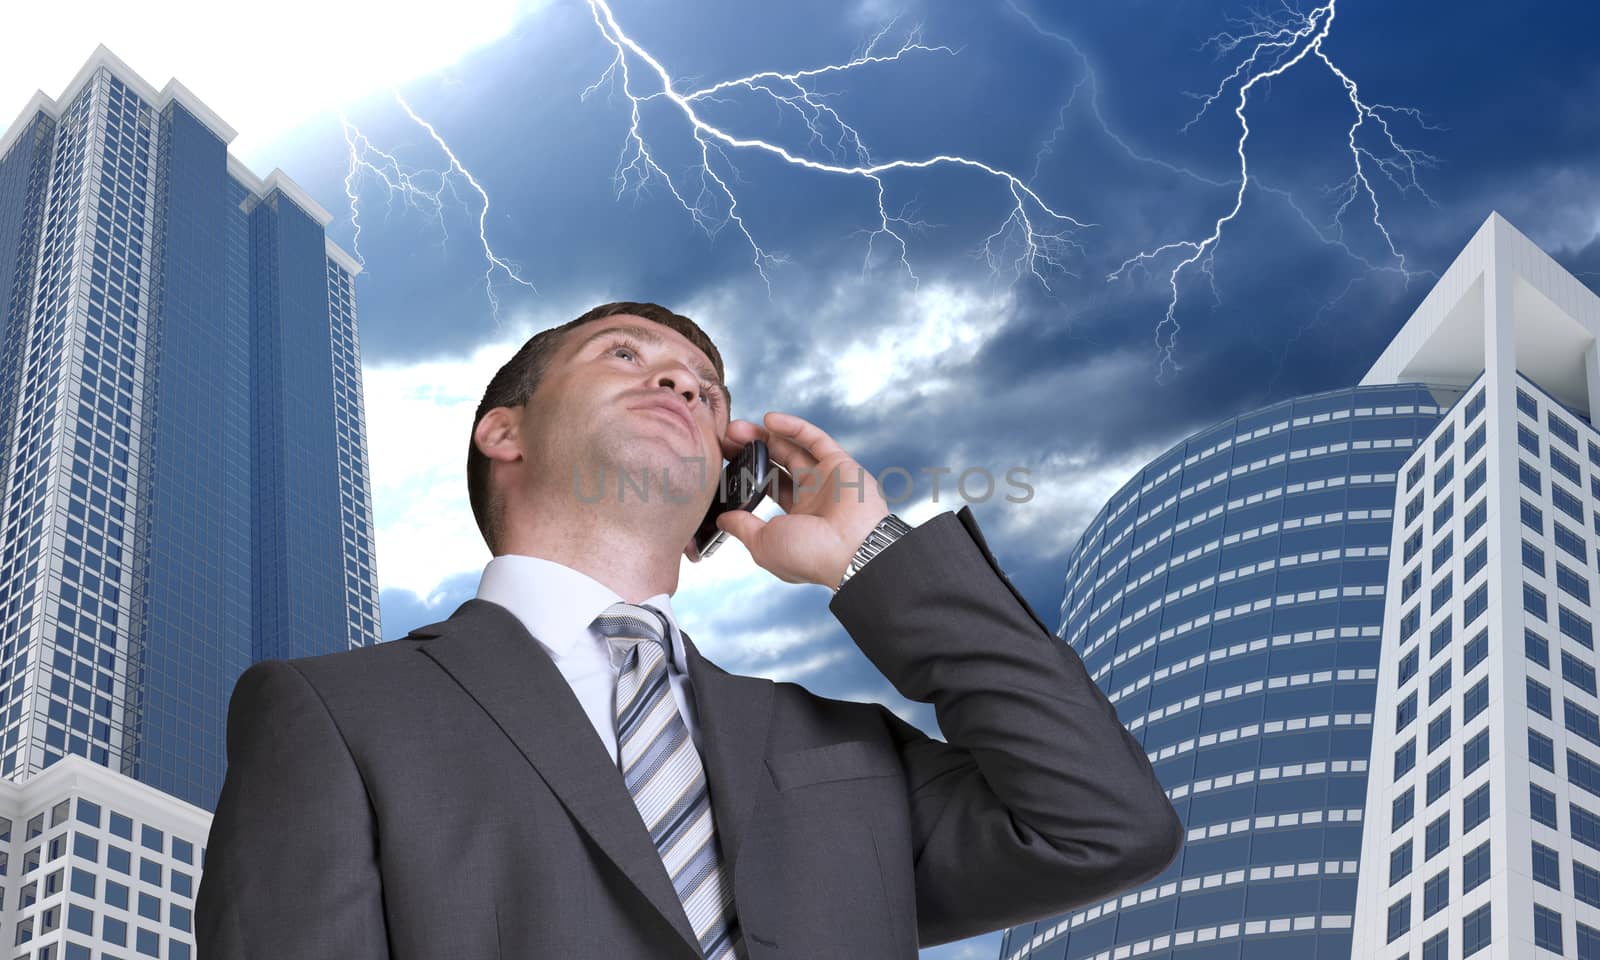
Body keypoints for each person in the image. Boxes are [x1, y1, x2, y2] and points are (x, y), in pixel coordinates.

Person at [194, 301, 1183, 959]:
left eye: (707, 393)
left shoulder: (841, 750)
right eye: (626, 355)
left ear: (727, 481)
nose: (680, 386)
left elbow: (1103, 826)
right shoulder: (335, 713)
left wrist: (868, 552)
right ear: (505, 431)